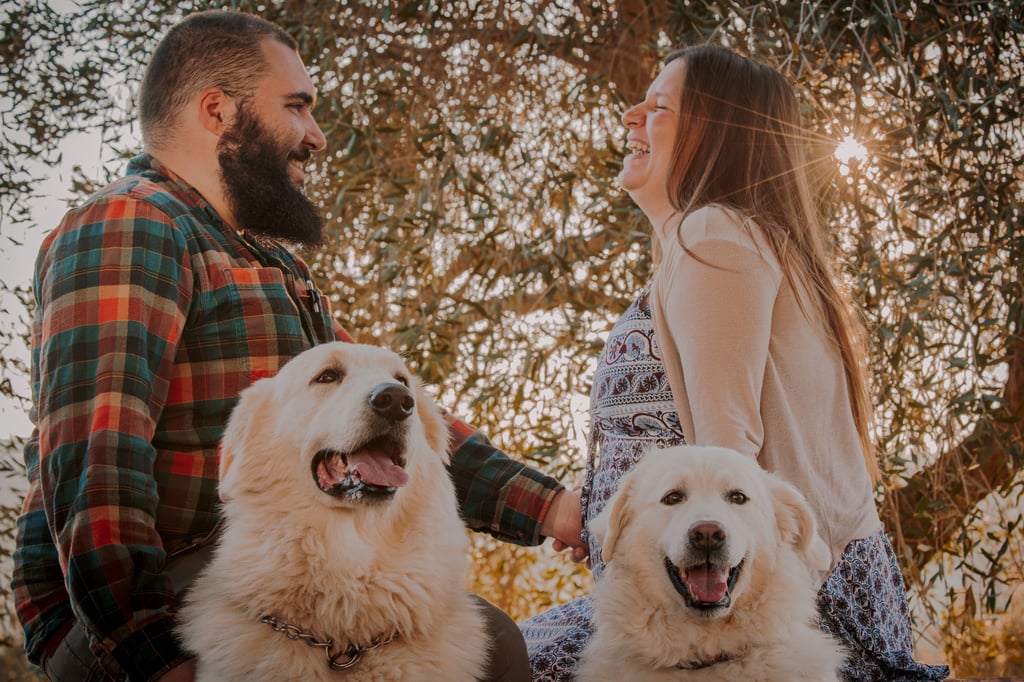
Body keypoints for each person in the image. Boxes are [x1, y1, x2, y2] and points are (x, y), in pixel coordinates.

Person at [10, 10, 584, 682]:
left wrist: (552, 508)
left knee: (490, 642)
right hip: (147, 607)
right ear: (218, 111)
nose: (316, 137)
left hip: (268, 578)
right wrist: (154, 656)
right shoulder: (129, 224)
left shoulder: (270, 267)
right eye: (297, 108)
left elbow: (392, 422)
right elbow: (94, 460)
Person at [519, 45, 950, 682]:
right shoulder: (719, 242)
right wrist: (608, 511)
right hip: (709, 588)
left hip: (745, 615)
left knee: (502, 660)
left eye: (659, 105)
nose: (632, 115)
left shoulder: (714, 236)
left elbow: (728, 446)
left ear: (714, 131)